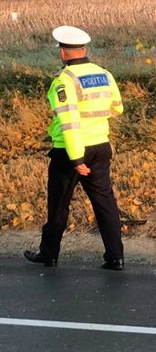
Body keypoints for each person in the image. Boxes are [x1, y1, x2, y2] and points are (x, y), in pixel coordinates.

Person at [24, 26, 125, 270]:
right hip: (101, 146)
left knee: (59, 203)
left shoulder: (64, 81)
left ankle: (49, 254)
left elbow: (69, 121)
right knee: (104, 202)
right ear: (84, 49)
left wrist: (77, 158)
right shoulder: (104, 74)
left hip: (70, 151)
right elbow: (117, 108)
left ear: (62, 52)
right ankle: (115, 257)